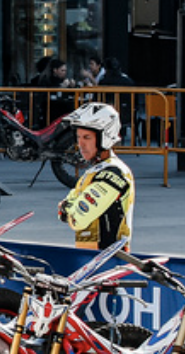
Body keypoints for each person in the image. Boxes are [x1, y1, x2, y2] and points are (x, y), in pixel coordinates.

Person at [57, 102, 134, 250]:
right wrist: (68, 208)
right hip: (89, 257)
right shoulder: (96, 171)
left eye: (87, 137)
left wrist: (69, 210)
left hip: (110, 259)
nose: (80, 144)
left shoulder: (113, 173)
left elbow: (77, 218)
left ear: (104, 138)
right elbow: (64, 209)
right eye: (78, 137)